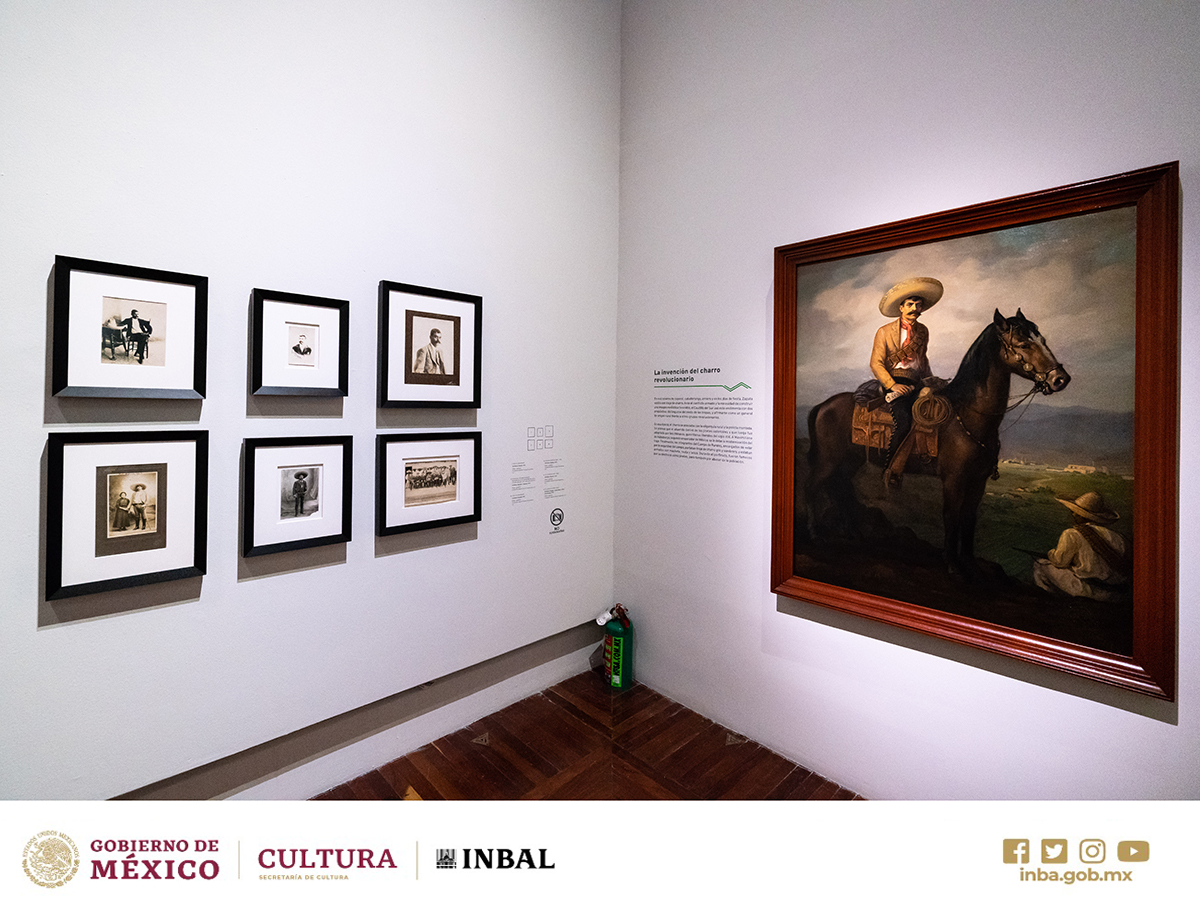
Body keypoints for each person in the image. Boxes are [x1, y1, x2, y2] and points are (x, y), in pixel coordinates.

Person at [869, 276, 943, 485]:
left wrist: (930, 381)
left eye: (918, 305)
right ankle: (891, 471)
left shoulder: (923, 331)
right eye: (910, 304)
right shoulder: (884, 332)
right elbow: (876, 363)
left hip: (917, 381)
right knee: (903, 421)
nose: (914, 309)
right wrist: (892, 385)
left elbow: (922, 360)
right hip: (893, 380)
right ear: (901, 307)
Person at [1033, 492, 1129, 602]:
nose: (1073, 515)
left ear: (1082, 515)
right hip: (1115, 593)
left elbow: (1059, 562)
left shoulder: (1072, 534)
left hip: (1090, 590)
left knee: (1040, 564)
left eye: (1076, 512)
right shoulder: (1119, 538)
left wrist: (1051, 553)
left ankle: (1054, 602)